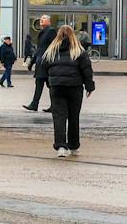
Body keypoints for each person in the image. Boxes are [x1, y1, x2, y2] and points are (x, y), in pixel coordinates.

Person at [40, 24, 95, 156]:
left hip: (56, 87)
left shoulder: (51, 51)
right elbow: (87, 69)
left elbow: (43, 68)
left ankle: (61, 147)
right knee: (73, 116)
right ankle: (73, 145)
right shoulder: (79, 51)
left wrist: (50, 82)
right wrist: (89, 86)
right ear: (73, 35)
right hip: (75, 87)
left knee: (59, 117)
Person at [23, 15, 56, 113]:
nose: (41, 19)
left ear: (49, 22)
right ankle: (34, 104)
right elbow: (38, 50)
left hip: (47, 63)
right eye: (41, 18)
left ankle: (54, 105)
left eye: (44, 18)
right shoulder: (42, 32)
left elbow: (54, 47)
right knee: (39, 84)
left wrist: (51, 61)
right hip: (40, 64)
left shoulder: (51, 31)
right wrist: (32, 62)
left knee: (50, 85)